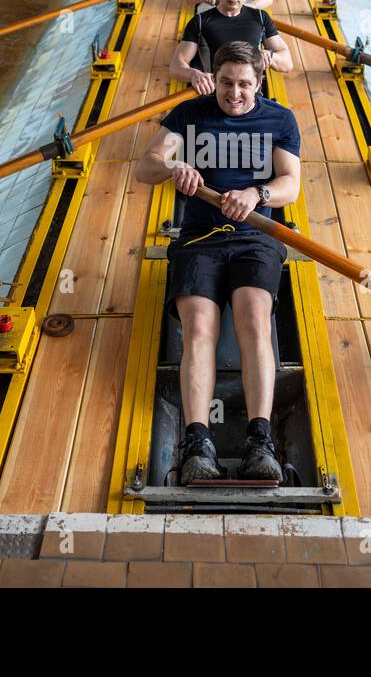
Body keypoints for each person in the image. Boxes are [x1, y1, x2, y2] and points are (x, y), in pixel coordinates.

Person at [135, 42, 302, 484]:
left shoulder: (279, 119)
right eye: (226, 82)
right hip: (199, 240)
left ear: (259, 83)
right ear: (215, 79)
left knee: (253, 318)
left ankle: (260, 438)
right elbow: (145, 166)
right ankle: (197, 442)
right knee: (199, 328)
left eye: (245, 84)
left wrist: (257, 194)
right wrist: (174, 170)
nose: (234, 93)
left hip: (255, 237)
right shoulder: (190, 116)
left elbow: (290, 185)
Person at [172, 0, 293, 94]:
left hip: (252, 98)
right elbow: (176, 66)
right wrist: (193, 74)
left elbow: (287, 63)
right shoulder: (200, 21)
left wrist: (270, 57)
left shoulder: (260, 17)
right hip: (215, 97)